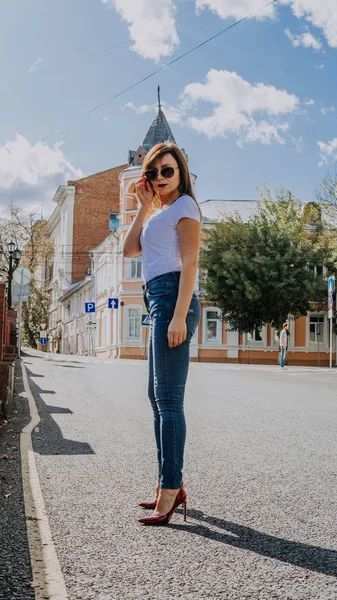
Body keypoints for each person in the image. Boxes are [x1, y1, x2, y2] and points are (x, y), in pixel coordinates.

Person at [123, 142, 201, 525]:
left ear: (180, 171)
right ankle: (165, 482)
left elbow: (189, 265)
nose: (159, 178)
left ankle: (171, 489)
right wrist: (142, 207)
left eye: (166, 171)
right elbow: (128, 250)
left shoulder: (185, 206)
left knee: (169, 399)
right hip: (157, 298)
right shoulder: (160, 211)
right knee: (155, 395)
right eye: (152, 173)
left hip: (173, 299)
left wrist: (179, 318)